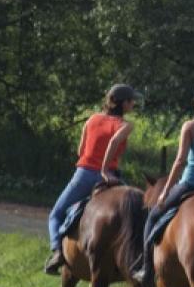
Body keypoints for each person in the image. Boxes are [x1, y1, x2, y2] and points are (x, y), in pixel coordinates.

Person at [131, 78, 194, 287]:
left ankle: (147, 270)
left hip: (191, 184)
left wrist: (165, 192)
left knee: (153, 218)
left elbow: (179, 161)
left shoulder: (191, 126)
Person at [45, 83, 141, 274]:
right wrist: (105, 168)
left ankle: (57, 252)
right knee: (136, 213)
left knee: (56, 214)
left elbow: (80, 150)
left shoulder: (92, 119)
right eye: (131, 101)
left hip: (84, 175)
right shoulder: (125, 125)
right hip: (109, 177)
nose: (133, 104)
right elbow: (114, 141)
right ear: (123, 104)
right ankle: (139, 258)